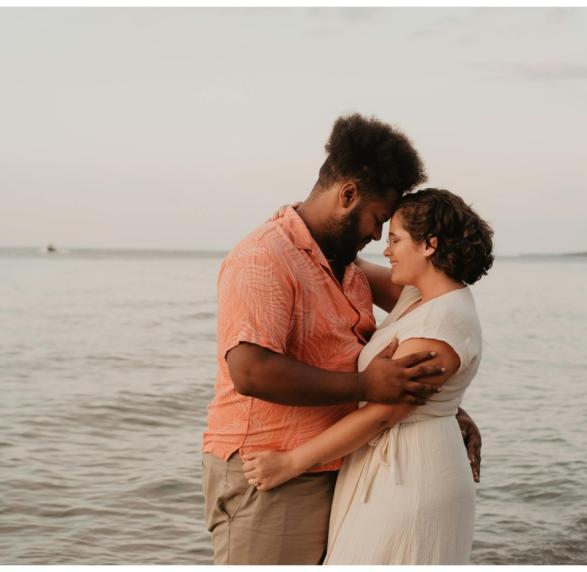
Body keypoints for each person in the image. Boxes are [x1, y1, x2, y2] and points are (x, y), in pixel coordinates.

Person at [201, 113, 482, 565]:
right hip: (270, 469)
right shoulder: (263, 257)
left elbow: (432, 315)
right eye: (377, 220)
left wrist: (443, 406)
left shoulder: (346, 266)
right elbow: (250, 371)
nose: (377, 236)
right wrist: (366, 388)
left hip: (333, 461)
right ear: (347, 194)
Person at [241, 188, 494, 564]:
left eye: (395, 239)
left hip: (410, 476)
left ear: (429, 246)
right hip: (393, 465)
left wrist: (291, 463)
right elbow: (348, 259)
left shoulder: (441, 321)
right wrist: (298, 219)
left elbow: (382, 413)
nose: (386, 249)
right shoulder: (420, 297)